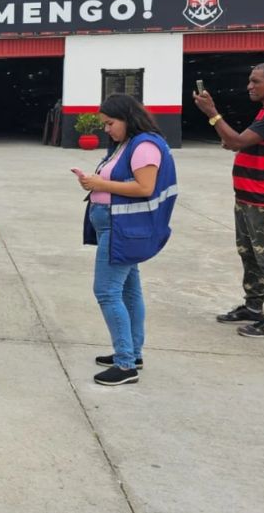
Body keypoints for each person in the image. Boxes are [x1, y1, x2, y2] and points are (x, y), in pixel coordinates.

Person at [76, 94, 177, 385]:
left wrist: (99, 184)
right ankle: (132, 351)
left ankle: (125, 364)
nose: (106, 129)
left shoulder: (144, 146)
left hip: (123, 229)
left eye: (109, 123)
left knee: (107, 291)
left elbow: (145, 187)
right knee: (130, 290)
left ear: (126, 118)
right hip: (118, 227)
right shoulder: (128, 144)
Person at [193, 62, 264, 338]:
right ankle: (253, 308)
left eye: (255, 81)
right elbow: (238, 141)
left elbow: (238, 142)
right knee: (249, 256)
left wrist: (213, 114)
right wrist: (232, 138)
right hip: (247, 198)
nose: (249, 86)